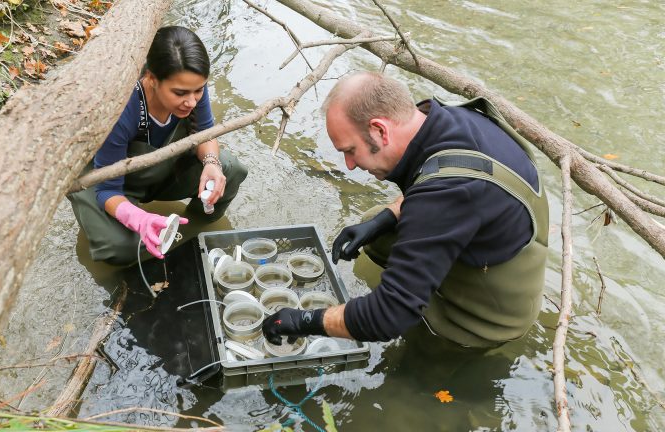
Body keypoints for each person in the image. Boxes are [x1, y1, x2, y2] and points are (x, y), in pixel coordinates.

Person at [262, 71, 548, 349]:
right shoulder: (442, 121)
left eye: (350, 150)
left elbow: (387, 316)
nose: (349, 164)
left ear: (380, 130)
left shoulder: (446, 194)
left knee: (417, 333)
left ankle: (453, 338)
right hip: (490, 240)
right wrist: (384, 219)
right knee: (375, 223)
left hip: (495, 314)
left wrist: (303, 320)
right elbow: (438, 187)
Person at [69, 26, 248, 266]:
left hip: (160, 170)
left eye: (199, 90)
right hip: (108, 180)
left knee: (231, 169)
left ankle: (190, 233)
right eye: (180, 93)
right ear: (152, 79)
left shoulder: (192, 91)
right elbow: (107, 190)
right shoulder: (120, 108)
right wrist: (138, 219)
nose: (191, 101)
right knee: (119, 248)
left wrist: (212, 164)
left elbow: (205, 133)